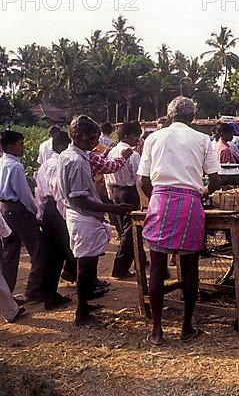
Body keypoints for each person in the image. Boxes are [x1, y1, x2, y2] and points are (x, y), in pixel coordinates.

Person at [138, 96, 220, 346]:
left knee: (157, 268)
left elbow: (143, 181)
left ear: (169, 114)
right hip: (190, 203)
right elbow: (215, 180)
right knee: (190, 267)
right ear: (192, 117)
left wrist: (159, 198)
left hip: (160, 201)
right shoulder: (203, 139)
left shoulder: (153, 137)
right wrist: (202, 192)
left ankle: (157, 330)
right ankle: (186, 327)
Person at [57, 116, 133, 325]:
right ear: (77, 136)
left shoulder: (71, 155)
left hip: (80, 215)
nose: (95, 142)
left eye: (97, 137)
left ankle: (86, 304)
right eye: (91, 138)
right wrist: (112, 208)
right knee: (86, 267)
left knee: (88, 264)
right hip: (83, 216)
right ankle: (81, 312)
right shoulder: (76, 161)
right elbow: (80, 197)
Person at [0, 130, 50, 304]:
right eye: (20, 144)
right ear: (10, 146)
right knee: (38, 249)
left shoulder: (2, 163)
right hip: (19, 209)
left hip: (6, 209)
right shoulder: (15, 166)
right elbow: (24, 195)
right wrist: (36, 212)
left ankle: (7, 297)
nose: (23, 148)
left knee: (10, 253)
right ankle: (34, 290)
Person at [34, 131, 76, 310]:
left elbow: (39, 192)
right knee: (72, 250)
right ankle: (86, 290)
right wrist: (66, 217)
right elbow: (60, 194)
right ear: (62, 146)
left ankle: (49, 295)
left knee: (54, 255)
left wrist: (41, 214)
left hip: (48, 210)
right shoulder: (61, 163)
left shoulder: (45, 165)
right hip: (59, 210)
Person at [104, 121, 144, 279]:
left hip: (115, 191)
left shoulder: (112, 152)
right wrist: (143, 198)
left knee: (125, 229)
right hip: (128, 192)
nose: (138, 139)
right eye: (136, 135)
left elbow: (107, 173)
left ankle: (140, 259)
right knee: (130, 231)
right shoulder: (132, 155)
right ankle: (120, 267)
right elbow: (138, 179)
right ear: (126, 135)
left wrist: (110, 193)